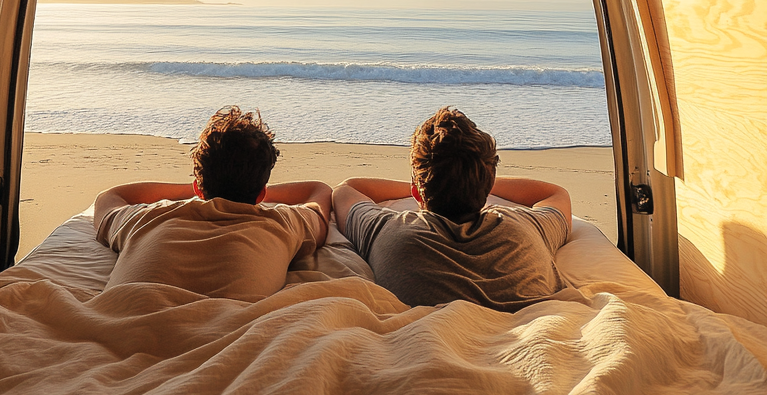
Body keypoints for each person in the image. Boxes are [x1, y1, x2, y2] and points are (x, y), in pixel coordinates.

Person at [332, 106, 571, 311]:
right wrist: (475, 177)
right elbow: (554, 194)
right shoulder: (527, 230)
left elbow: (346, 190)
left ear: (417, 191)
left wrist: (430, 182)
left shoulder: (386, 232)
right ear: (487, 186)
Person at [94, 106, 331, 300]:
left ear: (198, 188)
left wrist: (197, 188)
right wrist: (251, 187)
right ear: (261, 194)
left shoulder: (149, 218)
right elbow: (319, 192)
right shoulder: (281, 224)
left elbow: (109, 197)